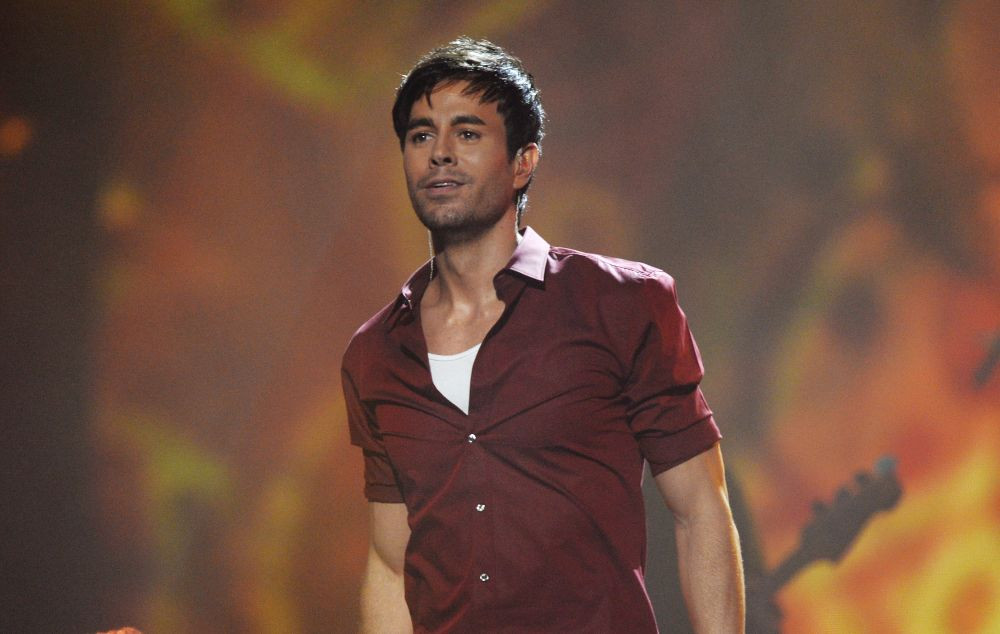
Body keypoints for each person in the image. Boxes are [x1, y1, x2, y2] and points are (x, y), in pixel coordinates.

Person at [342, 37, 745, 633]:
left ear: (523, 162)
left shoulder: (620, 303)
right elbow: (390, 562)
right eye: (421, 135)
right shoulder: (376, 353)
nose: (440, 153)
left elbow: (700, 512)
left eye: (468, 133)